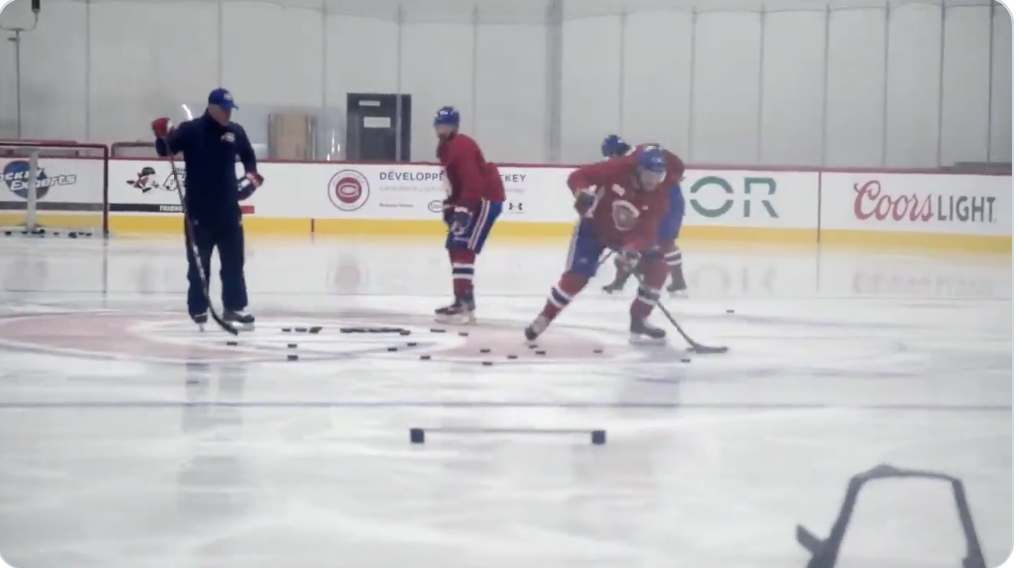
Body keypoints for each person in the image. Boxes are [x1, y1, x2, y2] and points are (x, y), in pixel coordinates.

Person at [525, 146, 672, 342]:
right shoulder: (615, 169)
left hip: (625, 237)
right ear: (637, 169)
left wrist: (631, 249)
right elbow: (579, 176)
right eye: (648, 175)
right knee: (577, 277)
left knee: (658, 268)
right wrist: (581, 192)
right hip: (592, 229)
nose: (652, 182)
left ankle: (639, 319)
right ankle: (545, 317)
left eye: (657, 177)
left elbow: (646, 232)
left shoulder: (660, 196)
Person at [150, 88, 263, 329]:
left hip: (229, 211)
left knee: (234, 262)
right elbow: (165, 150)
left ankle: (234, 307)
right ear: (211, 107)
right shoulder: (191, 131)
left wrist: (251, 178)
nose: (227, 114)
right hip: (199, 212)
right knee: (199, 263)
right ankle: (199, 309)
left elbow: (249, 157)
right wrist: (161, 136)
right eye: (223, 109)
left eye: (230, 109)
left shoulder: (235, 132)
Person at [433, 106, 506, 324]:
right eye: (439, 125)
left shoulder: (462, 146)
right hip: (471, 199)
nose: (441, 129)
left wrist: (463, 210)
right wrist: (450, 205)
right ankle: (463, 299)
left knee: (463, 246)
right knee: (455, 244)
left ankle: (464, 301)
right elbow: (454, 181)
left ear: (455, 126)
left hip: (484, 198)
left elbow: (472, 181)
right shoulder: (444, 147)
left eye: (446, 125)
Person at [598, 135, 688, 296]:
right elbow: (678, 165)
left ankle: (678, 282)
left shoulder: (629, 162)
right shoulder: (643, 149)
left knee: (663, 241)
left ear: (612, 154)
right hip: (664, 197)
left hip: (666, 200)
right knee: (638, 239)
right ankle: (622, 281)